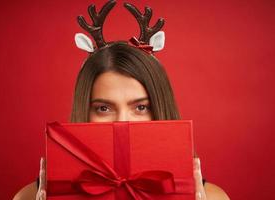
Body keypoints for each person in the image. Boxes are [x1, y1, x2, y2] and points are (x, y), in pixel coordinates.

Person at [13, 1, 230, 200]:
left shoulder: (212, 198)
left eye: (141, 107)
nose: (123, 122)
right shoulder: (29, 197)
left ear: (160, 107)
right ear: (84, 110)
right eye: (104, 108)